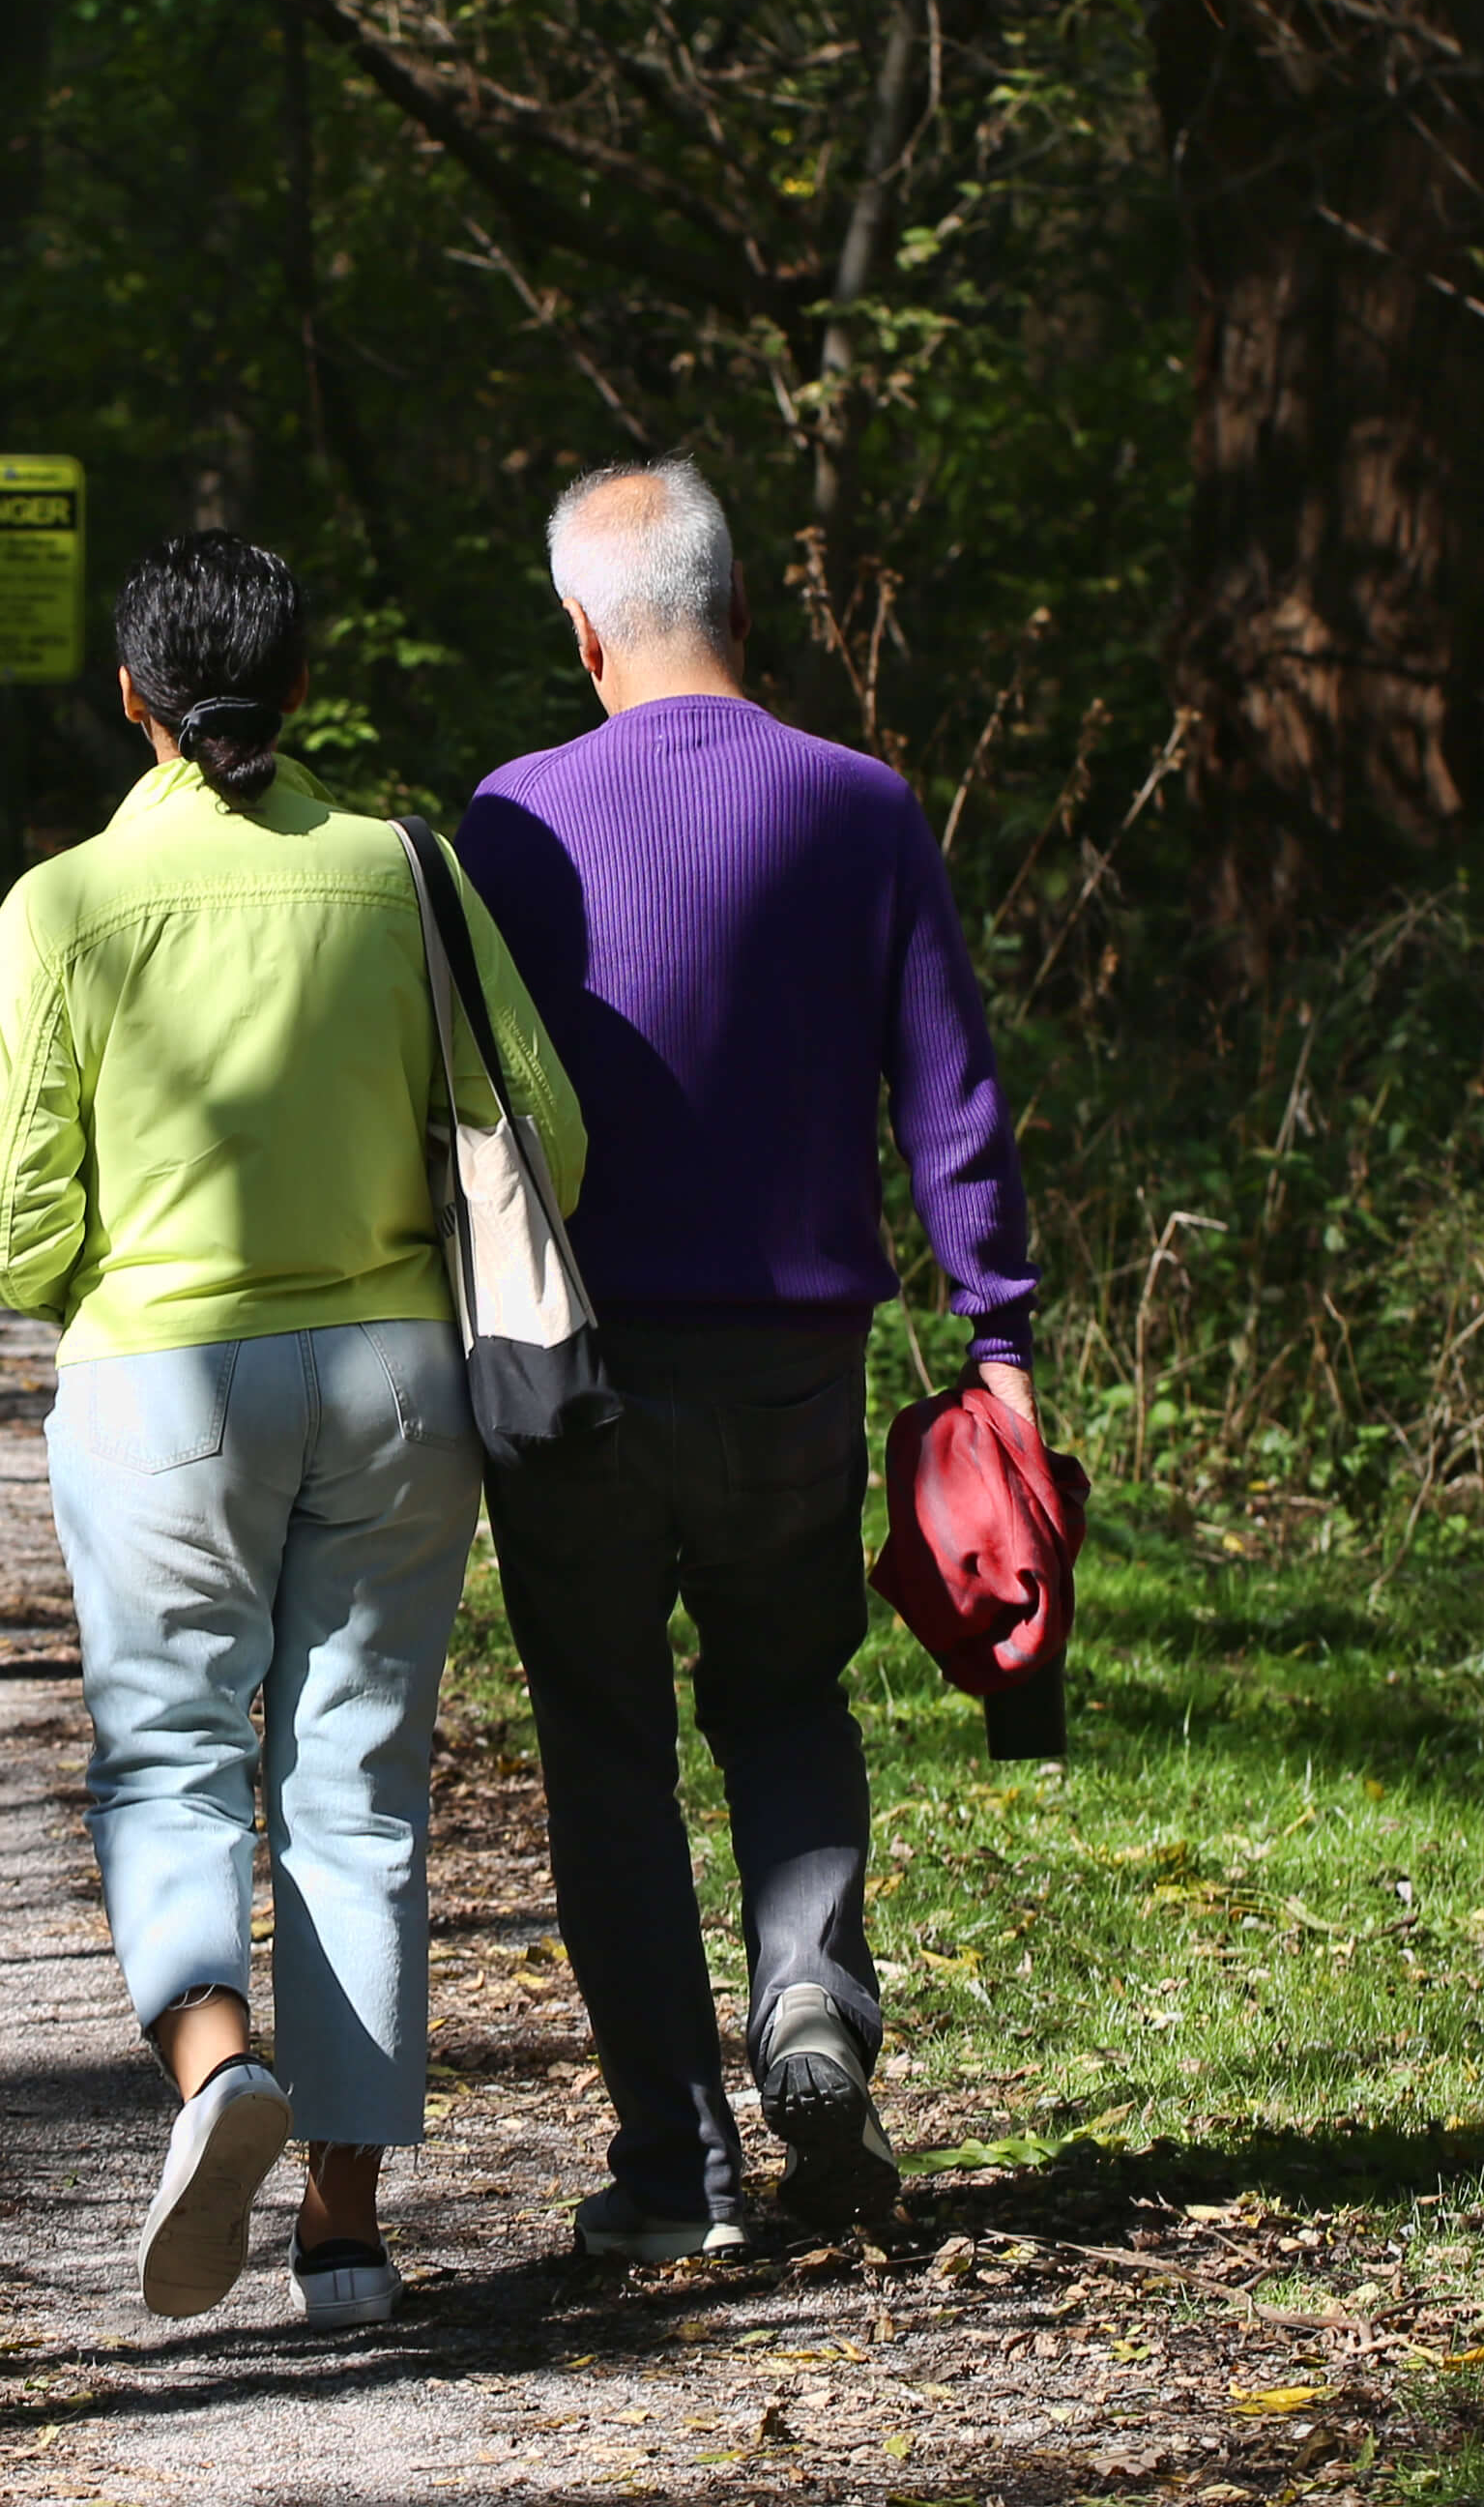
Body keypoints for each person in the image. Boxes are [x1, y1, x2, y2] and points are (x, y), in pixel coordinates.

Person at [0, 532, 586, 2330]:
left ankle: (217, 2064)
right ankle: (350, 2239)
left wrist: (120, 1269)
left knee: (170, 1760)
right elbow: (547, 1140)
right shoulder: (409, 877)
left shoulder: (60, 909)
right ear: (300, 688)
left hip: (164, 1382)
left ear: (131, 700)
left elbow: (6, 1235)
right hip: (396, 1382)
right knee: (358, 1783)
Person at [453, 456, 1036, 2255]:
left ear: (580, 629)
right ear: (742, 603)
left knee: (609, 1742)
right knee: (785, 1694)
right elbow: (953, 1096)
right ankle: (808, 1995)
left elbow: (468, 1111)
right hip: (797, 1354)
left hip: (577, 1374)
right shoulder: (861, 808)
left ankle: (672, 2170)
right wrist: (996, 1335)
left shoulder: (511, 823)